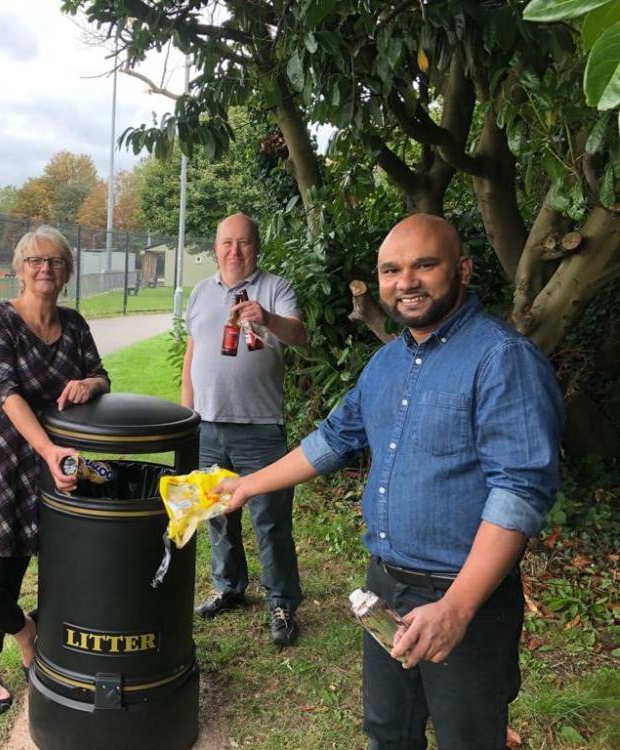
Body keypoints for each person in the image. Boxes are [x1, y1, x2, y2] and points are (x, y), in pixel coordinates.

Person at [219, 214, 564, 749]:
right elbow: (331, 441)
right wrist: (246, 486)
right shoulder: (385, 363)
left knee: (467, 739)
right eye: (391, 269)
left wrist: (457, 607)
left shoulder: (502, 359)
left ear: (463, 269)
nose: (406, 281)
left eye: (424, 264)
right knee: (388, 733)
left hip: (462, 595)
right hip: (384, 589)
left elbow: (520, 490)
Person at [0, 225, 110, 714]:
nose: (44, 268)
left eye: (54, 261)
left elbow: (100, 372)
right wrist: (52, 450)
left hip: (30, 471)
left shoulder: (74, 326)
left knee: (7, 579)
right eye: (35, 261)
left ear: (67, 272)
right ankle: (29, 633)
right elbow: (5, 393)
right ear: (19, 269)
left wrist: (90, 385)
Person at [182, 212, 308, 646]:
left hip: (259, 426)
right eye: (227, 243)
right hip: (208, 424)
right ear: (216, 247)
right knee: (218, 514)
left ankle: (282, 603)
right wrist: (187, 415)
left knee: (270, 520)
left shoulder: (276, 288)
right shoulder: (200, 293)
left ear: (257, 246)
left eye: (244, 242)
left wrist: (268, 318)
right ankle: (229, 587)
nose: (235, 250)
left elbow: (299, 335)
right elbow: (192, 355)